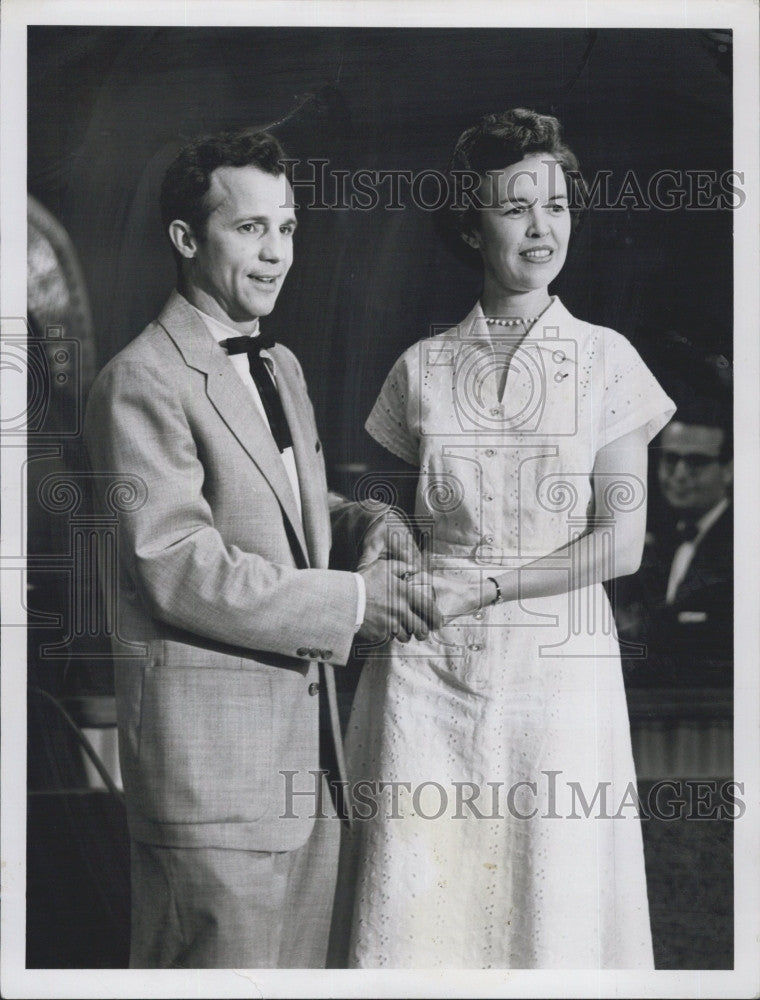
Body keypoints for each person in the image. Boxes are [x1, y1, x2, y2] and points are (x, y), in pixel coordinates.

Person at [83, 127, 439, 969]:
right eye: (250, 229)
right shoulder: (140, 380)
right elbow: (177, 563)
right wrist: (354, 603)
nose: (276, 253)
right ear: (185, 238)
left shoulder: (280, 367)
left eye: (286, 228)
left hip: (304, 773)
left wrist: (366, 523)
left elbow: (288, 510)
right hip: (210, 783)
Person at [338, 109, 676, 968]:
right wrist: (387, 535)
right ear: (468, 224)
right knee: (419, 912)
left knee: (548, 908)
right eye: (515, 207)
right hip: (425, 671)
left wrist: (483, 587)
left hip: (557, 673)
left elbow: (622, 543)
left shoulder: (606, 360)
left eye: (556, 205)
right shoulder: (420, 367)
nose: (541, 227)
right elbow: (376, 506)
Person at [616, 408, 733, 687]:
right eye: (671, 459)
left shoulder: (744, 547)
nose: (679, 474)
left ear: (728, 471)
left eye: (696, 462)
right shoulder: (659, 543)